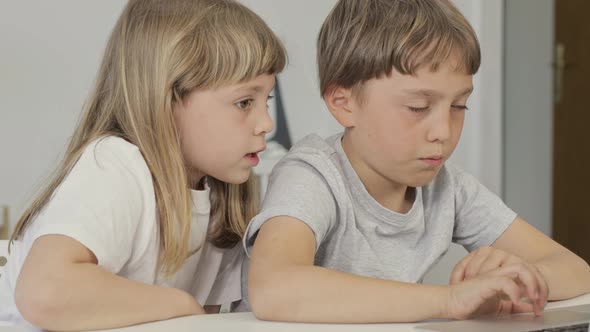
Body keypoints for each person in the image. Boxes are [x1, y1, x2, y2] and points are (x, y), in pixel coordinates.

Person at [244, 0, 590, 323]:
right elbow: (272, 289)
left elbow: (576, 270)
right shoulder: (313, 175)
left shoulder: (448, 188)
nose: (443, 131)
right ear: (343, 102)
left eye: (458, 106)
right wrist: (449, 300)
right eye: (418, 108)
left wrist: (515, 277)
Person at [0, 0, 286, 330]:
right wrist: (181, 304)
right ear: (167, 99)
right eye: (244, 102)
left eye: (268, 100)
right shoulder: (116, 165)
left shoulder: (224, 200)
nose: (266, 123)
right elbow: (44, 293)